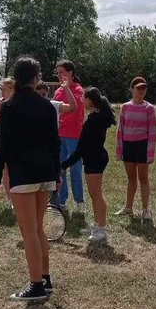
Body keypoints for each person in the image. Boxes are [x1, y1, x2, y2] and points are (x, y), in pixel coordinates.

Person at [0, 56, 61, 302]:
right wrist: (57, 173)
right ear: (35, 78)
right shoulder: (47, 106)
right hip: (45, 173)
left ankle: (36, 286)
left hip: (23, 174)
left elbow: (1, 146)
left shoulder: (9, 107)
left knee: (29, 231)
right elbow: (55, 143)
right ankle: (45, 279)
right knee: (38, 228)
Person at [61, 88, 116, 244]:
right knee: (95, 194)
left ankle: (101, 229)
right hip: (95, 158)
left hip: (94, 159)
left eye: (84, 99)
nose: (82, 101)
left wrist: (63, 165)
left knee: (96, 194)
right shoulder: (97, 117)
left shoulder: (93, 121)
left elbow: (80, 149)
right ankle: (98, 225)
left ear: (90, 100)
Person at [115, 77, 156, 222]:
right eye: (138, 88)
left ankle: (145, 210)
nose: (141, 91)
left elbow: (153, 132)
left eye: (143, 88)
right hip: (128, 146)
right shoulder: (125, 107)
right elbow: (120, 129)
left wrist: (150, 153)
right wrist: (119, 151)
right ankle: (128, 208)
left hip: (142, 146)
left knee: (143, 179)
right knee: (131, 179)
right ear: (131, 90)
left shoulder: (149, 108)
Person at [53, 60, 86, 213]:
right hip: (59, 135)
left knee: (75, 168)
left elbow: (74, 112)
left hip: (74, 134)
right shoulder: (58, 91)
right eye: (58, 73)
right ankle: (62, 200)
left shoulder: (78, 90)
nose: (59, 75)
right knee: (60, 168)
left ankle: (80, 201)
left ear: (70, 73)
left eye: (62, 72)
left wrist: (60, 121)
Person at [0, 77, 14, 203]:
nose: (2, 92)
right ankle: (9, 197)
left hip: (16, 139)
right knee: (5, 169)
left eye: (4, 89)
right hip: (2, 138)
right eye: (2, 89)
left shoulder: (19, 102)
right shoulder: (0, 103)